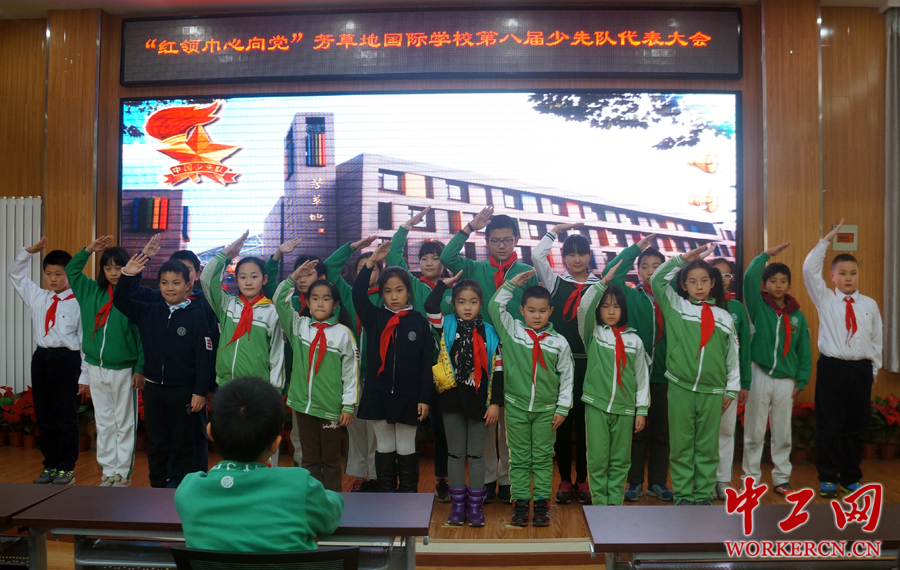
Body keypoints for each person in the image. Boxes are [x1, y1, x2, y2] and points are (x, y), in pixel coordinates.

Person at [176, 376, 344, 552]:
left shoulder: (189, 491)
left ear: (210, 432)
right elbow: (332, 514)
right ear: (276, 444)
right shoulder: (301, 486)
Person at [440, 206, 539, 504]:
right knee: (485, 417)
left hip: (517, 355)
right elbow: (447, 257)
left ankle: (508, 480)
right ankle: (486, 480)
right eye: (495, 240)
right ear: (486, 242)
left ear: (517, 240)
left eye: (507, 240)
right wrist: (470, 226)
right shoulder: (475, 269)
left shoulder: (526, 272)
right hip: (480, 357)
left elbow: (535, 311)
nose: (501, 246)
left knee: (509, 421)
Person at [114, 254, 213, 488]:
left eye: (176, 283)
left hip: (183, 392)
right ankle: (156, 487)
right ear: (158, 285)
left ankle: (182, 489)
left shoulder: (197, 316)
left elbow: (204, 358)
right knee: (156, 443)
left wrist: (200, 391)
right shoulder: (149, 311)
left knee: (183, 443)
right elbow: (120, 301)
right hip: (154, 391)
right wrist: (127, 275)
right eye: (164, 283)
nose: (170, 288)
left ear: (187, 285)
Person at [651, 244, 740, 506]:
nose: (698, 286)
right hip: (680, 387)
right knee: (681, 446)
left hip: (712, 392)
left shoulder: (724, 317)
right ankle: (683, 495)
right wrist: (681, 259)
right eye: (692, 281)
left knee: (707, 447)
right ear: (684, 285)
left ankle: (702, 495)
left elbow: (732, 356)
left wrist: (731, 389)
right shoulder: (675, 306)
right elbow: (657, 280)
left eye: (703, 280)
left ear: (712, 283)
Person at [802, 220, 882, 498]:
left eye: (853, 273)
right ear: (832, 276)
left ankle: (850, 478)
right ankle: (827, 478)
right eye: (843, 273)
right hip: (832, 368)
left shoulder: (869, 304)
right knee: (829, 426)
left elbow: (876, 340)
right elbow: (808, 270)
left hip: (861, 370)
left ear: (858, 275)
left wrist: (874, 370)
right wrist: (825, 241)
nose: (848, 278)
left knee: (856, 427)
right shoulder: (824, 298)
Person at [489, 270, 574, 527]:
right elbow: (494, 306)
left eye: (542, 311)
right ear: (522, 311)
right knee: (519, 458)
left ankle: (541, 504)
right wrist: (511, 284)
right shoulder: (513, 331)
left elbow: (567, 376)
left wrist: (562, 408)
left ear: (551, 312)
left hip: (547, 411)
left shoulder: (559, 342)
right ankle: (520, 503)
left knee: (543, 458)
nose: (537, 316)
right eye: (531, 310)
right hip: (516, 408)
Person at [353, 240, 433, 493]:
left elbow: (426, 364)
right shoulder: (374, 317)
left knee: (407, 445)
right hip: (379, 393)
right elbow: (357, 294)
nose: (394, 296)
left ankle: (408, 497)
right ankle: (386, 495)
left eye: (399, 290)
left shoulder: (419, 322)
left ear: (408, 291)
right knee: (385, 445)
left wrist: (424, 398)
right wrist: (370, 263)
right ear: (381, 294)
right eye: (388, 291)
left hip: (410, 396)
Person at [134, 235, 218, 474]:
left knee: (192, 436)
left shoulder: (205, 305)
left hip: (190, 386)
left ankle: (194, 479)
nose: (173, 284)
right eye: (167, 280)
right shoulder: (157, 303)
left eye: (186, 271)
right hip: (159, 387)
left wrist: (204, 387)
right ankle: (166, 481)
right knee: (161, 439)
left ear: (195, 276)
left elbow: (209, 348)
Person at [8, 238, 88, 485]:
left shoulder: (79, 302)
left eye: (58, 274)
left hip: (68, 359)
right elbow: (16, 275)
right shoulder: (39, 297)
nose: (52, 279)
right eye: (48, 274)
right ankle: (50, 465)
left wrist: (85, 374)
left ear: (69, 274)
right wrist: (28, 252)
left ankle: (66, 468)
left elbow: (84, 340)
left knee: (66, 416)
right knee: (44, 416)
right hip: (42, 358)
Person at [426, 272, 503, 527]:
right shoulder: (446, 324)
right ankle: (458, 506)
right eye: (461, 301)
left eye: (472, 302)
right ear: (454, 303)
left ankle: (476, 507)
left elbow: (499, 369)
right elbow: (430, 305)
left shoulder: (490, 332)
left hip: (480, 401)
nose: (467, 307)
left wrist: (495, 403)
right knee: (456, 454)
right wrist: (443, 285)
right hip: (451, 399)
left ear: (481, 303)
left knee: (477, 455)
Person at [386, 207, 452, 502]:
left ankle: (443, 480)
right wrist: (406, 227)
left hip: (445, 367)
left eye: (434, 257)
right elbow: (393, 257)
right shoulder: (411, 285)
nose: (428, 262)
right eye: (423, 258)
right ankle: (402, 488)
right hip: (413, 366)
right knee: (407, 425)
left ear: (443, 261)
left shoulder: (454, 289)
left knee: (442, 426)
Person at [67, 236, 143, 487]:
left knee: (125, 422)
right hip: (96, 366)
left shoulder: (132, 297)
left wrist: (140, 368)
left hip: (123, 369)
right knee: (104, 421)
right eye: (108, 267)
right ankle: (108, 470)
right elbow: (72, 271)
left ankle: (123, 473)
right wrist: (88, 250)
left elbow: (141, 335)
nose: (113, 272)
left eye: (119, 267)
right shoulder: (90, 291)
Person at [602, 235, 674, 502]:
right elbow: (613, 272)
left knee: (662, 433)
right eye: (645, 266)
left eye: (657, 266)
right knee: (635, 432)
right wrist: (635, 249)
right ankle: (633, 482)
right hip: (634, 376)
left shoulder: (673, 298)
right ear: (638, 270)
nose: (651, 271)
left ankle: (657, 482)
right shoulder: (630, 295)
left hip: (665, 376)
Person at [275, 262, 358, 492]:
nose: (320, 303)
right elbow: (279, 301)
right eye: (315, 298)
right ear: (308, 302)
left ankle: (332, 502)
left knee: (330, 459)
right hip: (303, 406)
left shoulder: (344, 334)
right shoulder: (299, 327)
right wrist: (292, 278)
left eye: (326, 298)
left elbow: (351, 372)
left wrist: (348, 406)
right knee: (309, 458)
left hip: (331, 407)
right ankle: (313, 502)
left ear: (335, 304)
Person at [533, 223, 600, 505]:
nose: (576, 259)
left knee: (585, 426)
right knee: (560, 423)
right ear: (563, 258)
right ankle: (563, 480)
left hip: (591, 366)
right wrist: (555, 230)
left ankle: (583, 480)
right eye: (570, 254)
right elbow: (537, 256)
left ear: (589, 255)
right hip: (560, 366)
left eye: (581, 253)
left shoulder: (600, 286)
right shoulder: (555, 283)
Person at [742, 242, 812, 496]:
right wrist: (765, 256)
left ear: (789, 286)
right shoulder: (758, 306)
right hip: (759, 373)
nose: (778, 285)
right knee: (754, 431)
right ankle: (750, 480)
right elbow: (749, 278)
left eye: (783, 281)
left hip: (786, 381)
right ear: (765, 285)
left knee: (782, 433)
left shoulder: (798, 316)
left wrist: (801, 380)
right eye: (773, 281)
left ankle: (782, 479)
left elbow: (804, 351)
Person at [577, 263, 649, 506]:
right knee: (597, 459)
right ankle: (600, 505)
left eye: (616, 306)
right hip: (596, 405)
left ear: (623, 309)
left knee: (620, 460)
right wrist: (602, 283)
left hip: (625, 409)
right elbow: (584, 307)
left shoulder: (635, 340)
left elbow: (641, 378)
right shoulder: (593, 334)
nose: (610, 311)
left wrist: (641, 410)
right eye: (605, 306)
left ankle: (614, 505)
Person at [262, 238, 329, 469]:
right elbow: (270, 285)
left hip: (318, 379)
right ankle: (290, 473)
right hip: (289, 377)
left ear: (321, 278)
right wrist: (278, 254)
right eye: (299, 274)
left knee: (313, 435)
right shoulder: (287, 301)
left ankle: (312, 475)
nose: (302, 279)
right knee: (287, 431)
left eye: (308, 274)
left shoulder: (328, 307)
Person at [324, 235, 384, 492]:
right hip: (351, 373)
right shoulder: (347, 293)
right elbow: (330, 267)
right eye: (361, 267)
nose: (367, 271)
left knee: (378, 428)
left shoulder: (386, 297)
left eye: (373, 267)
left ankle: (378, 475)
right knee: (355, 427)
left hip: (378, 374)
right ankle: (360, 474)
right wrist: (352, 248)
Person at [200, 231, 284, 390]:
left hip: (258, 389)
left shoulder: (272, 312)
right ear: (236, 280)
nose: (248, 282)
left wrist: (274, 391)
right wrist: (227, 254)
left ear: (264, 279)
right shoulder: (227, 305)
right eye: (243, 277)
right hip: (226, 385)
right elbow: (206, 279)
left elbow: (277, 354)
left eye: (254, 277)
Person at [709, 257, 752, 500]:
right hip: (705, 381)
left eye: (727, 275)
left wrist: (744, 382)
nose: (722, 279)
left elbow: (744, 348)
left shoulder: (737, 309)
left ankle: (722, 480)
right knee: (705, 432)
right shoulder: (698, 306)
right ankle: (704, 481)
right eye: (717, 274)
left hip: (730, 381)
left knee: (726, 430)